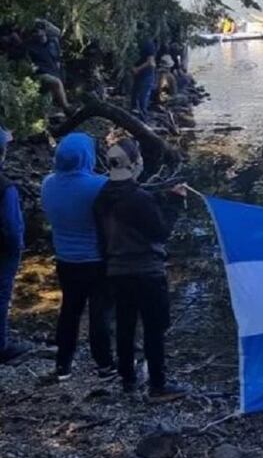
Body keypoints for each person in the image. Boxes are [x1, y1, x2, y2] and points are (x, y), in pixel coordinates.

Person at [94, 138, 188, 402]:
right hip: (147, 272)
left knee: (125, 325)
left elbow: (104, 235)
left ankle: (128, 379)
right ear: (135, 164)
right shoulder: (139, 199)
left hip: (116, 272)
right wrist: (175, 203)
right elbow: (160, 232)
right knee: (154, 328)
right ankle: (158, 386)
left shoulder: (101, 197)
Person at [41, 133, 114, 381]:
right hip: (96, 260)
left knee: (69, 311)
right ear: (87, 156)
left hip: (65, 260)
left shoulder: (48, 183)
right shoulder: (100, 185)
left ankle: (63, 365)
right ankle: (104, 365)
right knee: (99, 314)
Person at [0, 126, 30, 364]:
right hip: (3, 252)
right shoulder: (5, 187)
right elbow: (11, 227)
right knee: (1, 296)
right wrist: (17, 245)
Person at [25, 19, 71, 112]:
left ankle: (57, 109)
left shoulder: (53, 42)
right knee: (55, 82)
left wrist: (43, 23)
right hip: (41, 74)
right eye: (34, 31)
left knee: (59, 83)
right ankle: (67, 107)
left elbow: (57, 32)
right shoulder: (30, 46)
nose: (37, 33)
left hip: (55, 71)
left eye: (39, 30)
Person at [130, 39, 156, 119]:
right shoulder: (134, 43)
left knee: (142, 98)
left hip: (147, 75)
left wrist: (137, 69)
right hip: (139, 75)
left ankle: (143, 119)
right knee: (134, 97)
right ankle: (134, 118)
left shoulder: (149, 44)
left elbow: (150, 62)